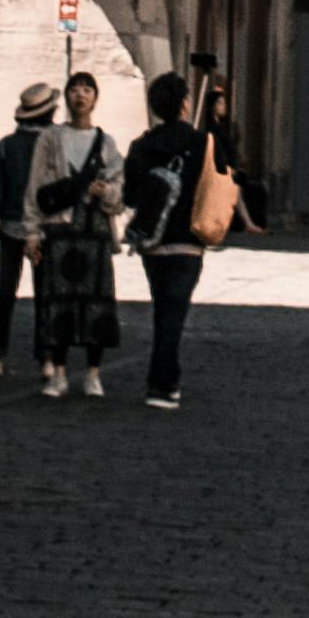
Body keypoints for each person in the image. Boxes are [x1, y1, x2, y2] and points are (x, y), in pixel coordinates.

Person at [119, 69, 215, 409]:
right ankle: (163, 383)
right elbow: (216, 185)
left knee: (163, 308)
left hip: (153, 240)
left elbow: (129, 197)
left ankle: (161, 380)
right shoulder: (202, 142)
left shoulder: (140, 146)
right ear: (185, 105)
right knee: (174, 312)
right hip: (188, 238)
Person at [26, 70, 122, 403]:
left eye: (86, 89)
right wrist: (32, 232)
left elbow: (119, 192)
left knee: (97, 304)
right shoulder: (51, 138)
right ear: (66, 97)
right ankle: (61, 372)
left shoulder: (106, 142)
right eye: (74, 89)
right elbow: (35, 187)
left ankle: (94, 374)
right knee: (60, 303)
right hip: (61, 229)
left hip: (94, 231)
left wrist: (105, 191)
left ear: (95, 97)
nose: (80, 95)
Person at [0, 78, 58, 382]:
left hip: (11, 230)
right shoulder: (52, 144)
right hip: (40, 232)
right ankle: (46, 357)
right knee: (44, 293)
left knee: (5, 292)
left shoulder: (7, 146)